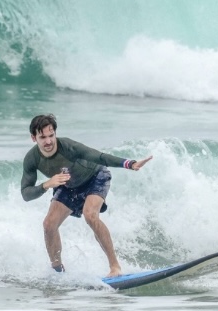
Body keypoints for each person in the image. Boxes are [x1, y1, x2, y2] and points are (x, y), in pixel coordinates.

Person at [20, 112, 152, 277]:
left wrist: (129, 164)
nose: (48, 141)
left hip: (95, 178)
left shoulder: (68, 147)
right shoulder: (31, 159)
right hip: (68, 186)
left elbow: (99, 157)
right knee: (48, 225)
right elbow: (26, 193)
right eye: (42, 137)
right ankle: (58, 274)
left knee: (90, 215)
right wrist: (47, 184)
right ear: (34, 138)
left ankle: (115, 267)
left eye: (51, 135)